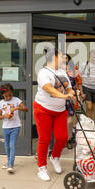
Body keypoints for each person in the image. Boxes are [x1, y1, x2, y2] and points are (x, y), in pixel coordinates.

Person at [34, 48, 75, 181]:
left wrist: (72, 93)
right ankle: (41, 168)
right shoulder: (43, 72)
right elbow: (49, 88)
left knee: (62, 137)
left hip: (59, 111)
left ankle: (55, 157)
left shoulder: (62, 71)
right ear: (54, 57)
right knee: (44, 139)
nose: (63, 58)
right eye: (61, 56)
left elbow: (68, 86)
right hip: (43, 109)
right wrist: (65, 95)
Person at [0, 84, 28, 174]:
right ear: (2, 94)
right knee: (6, 146)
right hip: (6, 127)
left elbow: (26, 109)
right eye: (6, 96)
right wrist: (4, 116)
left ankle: (11, 165)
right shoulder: (1, 103)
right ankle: (8, 161)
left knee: (12, 145)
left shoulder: (16, 100)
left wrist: (18, 107)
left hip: (15, 126)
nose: (8, 97)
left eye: (10, 95)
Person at [80, 50, 95, 120]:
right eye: (93, 57)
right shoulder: (85, 64)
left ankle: (91, 123)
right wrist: (81, 91)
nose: (94, 58)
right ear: (90, 56)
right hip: (86, 87)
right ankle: (87, 123)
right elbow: (79, 76)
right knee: (88, 107)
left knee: (93, 108)